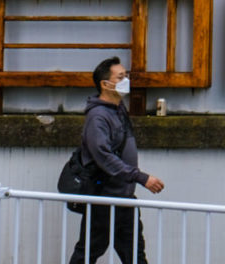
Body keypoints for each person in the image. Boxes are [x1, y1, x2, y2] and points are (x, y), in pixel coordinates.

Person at [68, 56, 164, 264]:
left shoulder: (118, 110)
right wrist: (141, 177)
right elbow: (104, 157)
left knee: (135, 256)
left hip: (123, 198)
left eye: (126, 75)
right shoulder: (98, 117)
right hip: (104, 199)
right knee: (87, 254)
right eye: (121, 77)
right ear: (105, 84)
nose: (126, 80)